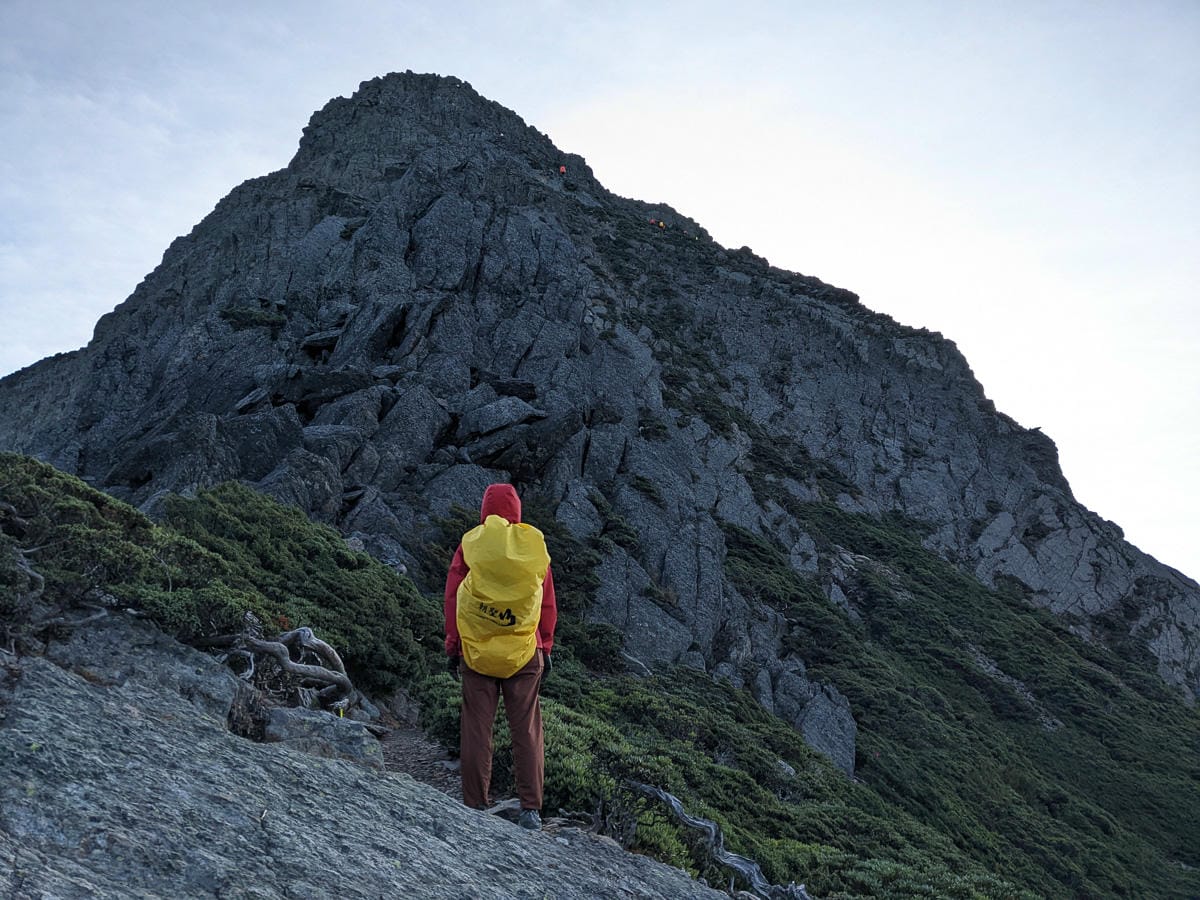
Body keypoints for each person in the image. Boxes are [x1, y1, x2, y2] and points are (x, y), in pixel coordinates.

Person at [444, 483, 557, 831]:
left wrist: (454, 644)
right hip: (525, 652)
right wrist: (546, 646)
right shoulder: (534, 546)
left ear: (484, 510)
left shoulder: (471, 543)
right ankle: (530, 810)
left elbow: (452, 598)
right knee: (526, 729)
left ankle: (475, 804)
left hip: (477, 652)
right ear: (517, 511)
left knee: (477, 727)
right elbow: (547, 602)